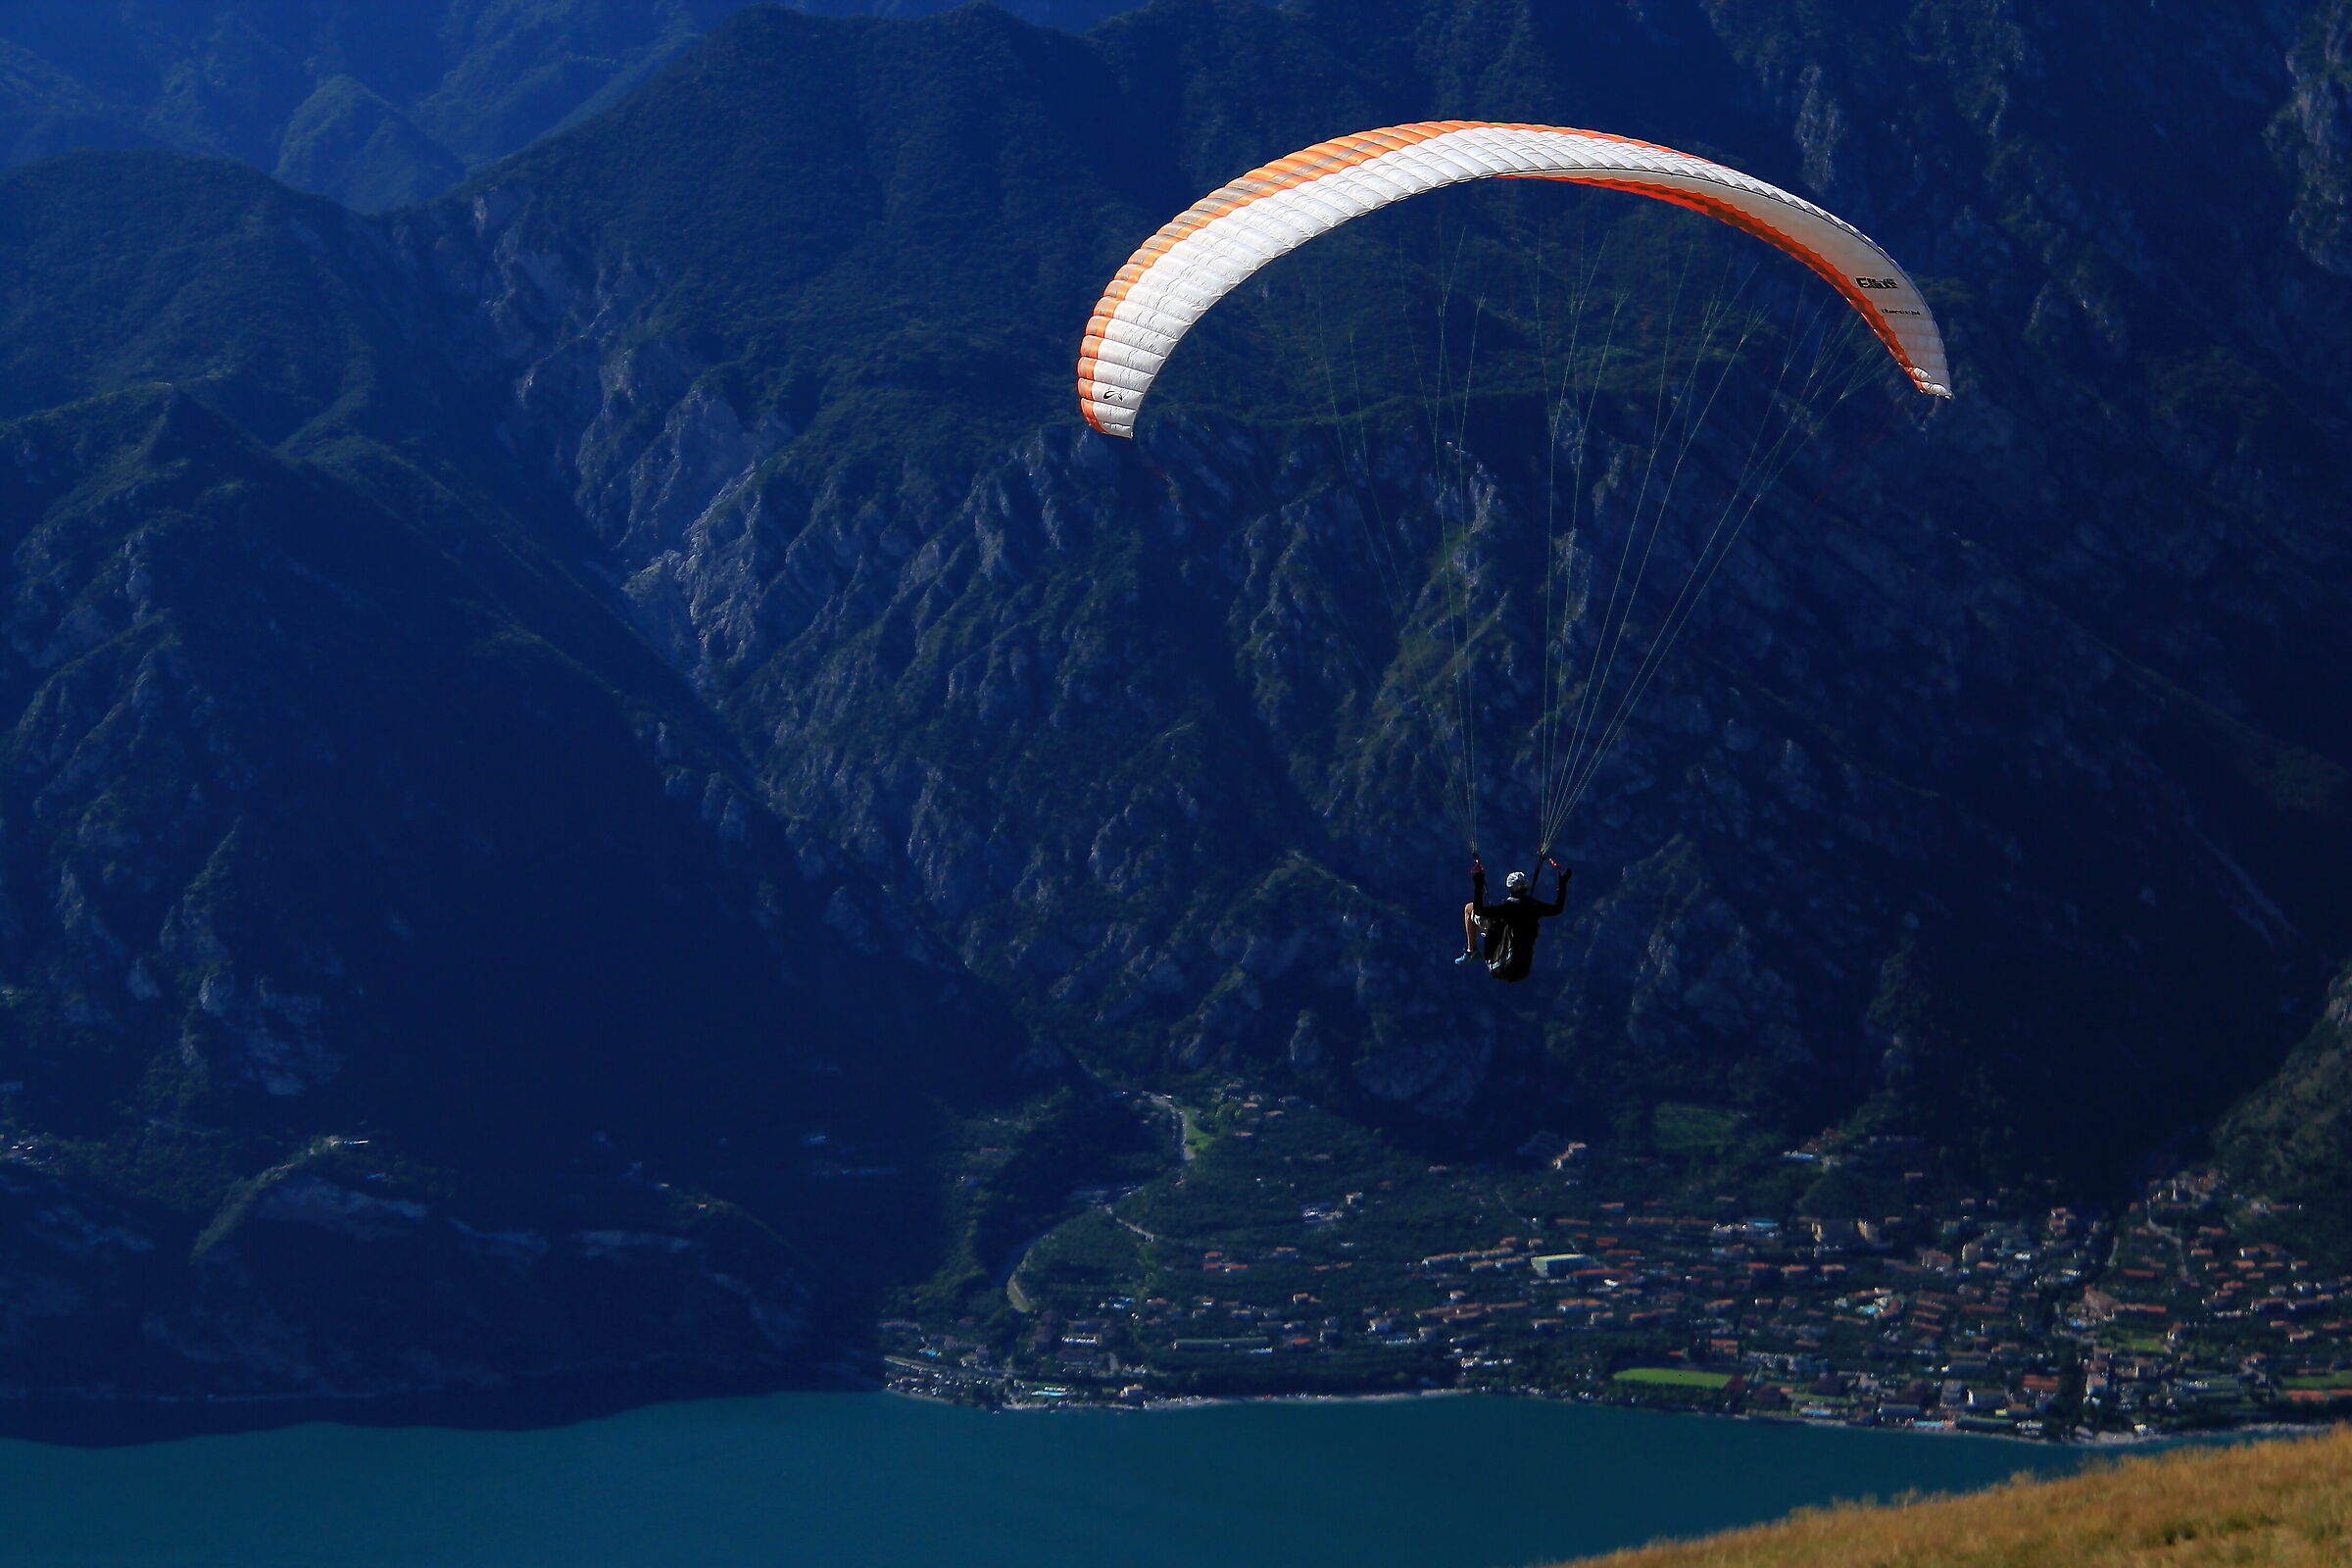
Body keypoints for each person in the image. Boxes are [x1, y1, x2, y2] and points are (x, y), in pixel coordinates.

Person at [1457, 856, 1570, 982]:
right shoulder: (1534, 906)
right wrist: (1563, 884)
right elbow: (1557, 908)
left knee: (1469, 908)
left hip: (1500, 965)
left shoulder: (1507, 908)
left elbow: (1479, 910)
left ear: (1510, 888)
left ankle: (1471, 950)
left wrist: (1478, 885)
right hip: (1523, 969)